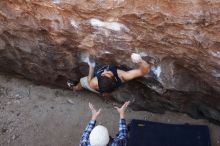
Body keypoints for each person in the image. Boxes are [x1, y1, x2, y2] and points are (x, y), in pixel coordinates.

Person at [67, 53, 153, 95]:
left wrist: (91, 67)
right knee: (105, 93)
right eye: (105, 73)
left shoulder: (94, 82)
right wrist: (140, 61)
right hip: (106, 89)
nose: (104, 71)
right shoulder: (123, 76)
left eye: (105, 73)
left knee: (82, 82)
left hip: (98, 88)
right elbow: (144, 71)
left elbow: (89, 81)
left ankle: (75, 88)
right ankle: (105, 96)